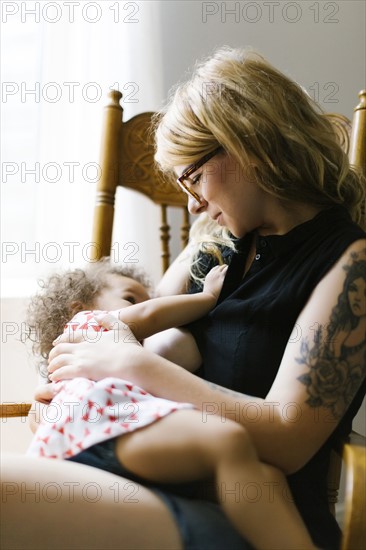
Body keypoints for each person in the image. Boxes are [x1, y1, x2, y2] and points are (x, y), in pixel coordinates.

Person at [1, 46, 365, 550]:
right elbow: (127, 326)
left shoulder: (352, 264)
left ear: (248, 144)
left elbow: (288, 438)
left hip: (247, 516)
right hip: (138, 478)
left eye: (192, 177)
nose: (192, 202)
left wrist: (131, 367)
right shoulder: (216, 243)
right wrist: (65, 394)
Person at [25, 258, 316, 550]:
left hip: (92, 442)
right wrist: (208, 297)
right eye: (130, 298)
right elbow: (151, 314)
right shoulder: (90, 326)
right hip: (96, 433)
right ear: (79, 307)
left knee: (265, 476)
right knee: (228, 440)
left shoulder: (85, 360)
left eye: (143, 299)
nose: (142, 304)